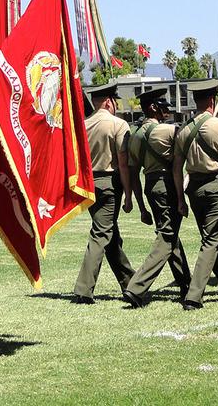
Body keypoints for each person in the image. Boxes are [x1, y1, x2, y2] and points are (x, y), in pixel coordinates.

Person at [122, 88, 191, 308]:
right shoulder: (168, 131)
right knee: (167, 236)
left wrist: (141, 207)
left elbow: (134, 176)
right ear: (152, 107)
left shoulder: (134, 136)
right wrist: (181, 197)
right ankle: (137, 287)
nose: (165, 111)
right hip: (168, 185)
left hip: (151, 186)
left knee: (170, 236)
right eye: (162, 106)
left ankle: (186, 285)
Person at [175, 79, 218, 311]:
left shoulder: (183, 130)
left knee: (213, 237)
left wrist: (180, 199)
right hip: (215, 188)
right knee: (211, 239)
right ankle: (194, 295)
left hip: (193, 190)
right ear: (212, 100)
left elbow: (177, 168)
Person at [73, 83, 136, 304]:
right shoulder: (119, 124)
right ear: (109, 101)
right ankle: (83, 289)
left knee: (110, 234)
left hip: (90, 183)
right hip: (110, 182)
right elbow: (123, 163)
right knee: (101, 233)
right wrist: (129, 195)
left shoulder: (84, 125)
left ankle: (130, 282)